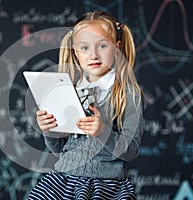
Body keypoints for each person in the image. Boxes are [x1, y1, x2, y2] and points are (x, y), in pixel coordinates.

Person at [28, 10, 144, 200]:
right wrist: (48, 129)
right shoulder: (68, 90)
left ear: (117, 48)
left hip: (105, 186)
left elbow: (130, 151)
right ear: (75, 52)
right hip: (63, 181)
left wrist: (102, 132)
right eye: (85, 48)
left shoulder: (128, 94)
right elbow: (58, 148)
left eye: (102, 46)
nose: (93, 55)